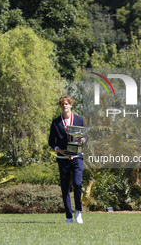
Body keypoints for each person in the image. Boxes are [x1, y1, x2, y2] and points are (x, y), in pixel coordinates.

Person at [49, 95, 87, 224]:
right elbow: (51, 142)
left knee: (77, 184)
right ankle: (68, 217)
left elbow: (86, 136)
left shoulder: (79, 120)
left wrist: (83, 140)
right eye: (62, 104)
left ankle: (78, 212)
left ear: (71, 105)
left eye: (67, 103)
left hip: (77, 157)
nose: (64, 106)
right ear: (60, 106)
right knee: (65, 187)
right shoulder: (56, 122)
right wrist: (58, 149)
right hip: (62, 158)